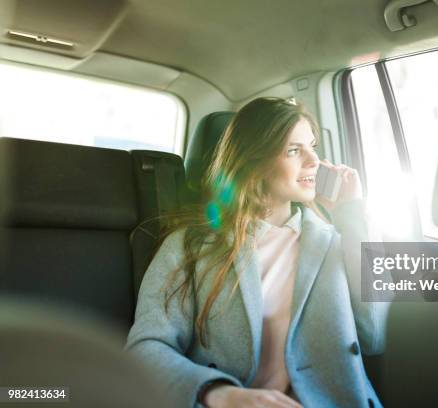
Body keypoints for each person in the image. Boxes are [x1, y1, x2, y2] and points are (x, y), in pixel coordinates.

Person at [125, 97, 389, 408]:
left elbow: (375, 333)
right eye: (294, 150)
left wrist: (352, 211)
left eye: (312, 146)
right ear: (255, 162)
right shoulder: (188, 246)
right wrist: (219, 394)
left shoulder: (336, 240)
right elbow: (146, 347)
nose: (313, 160)